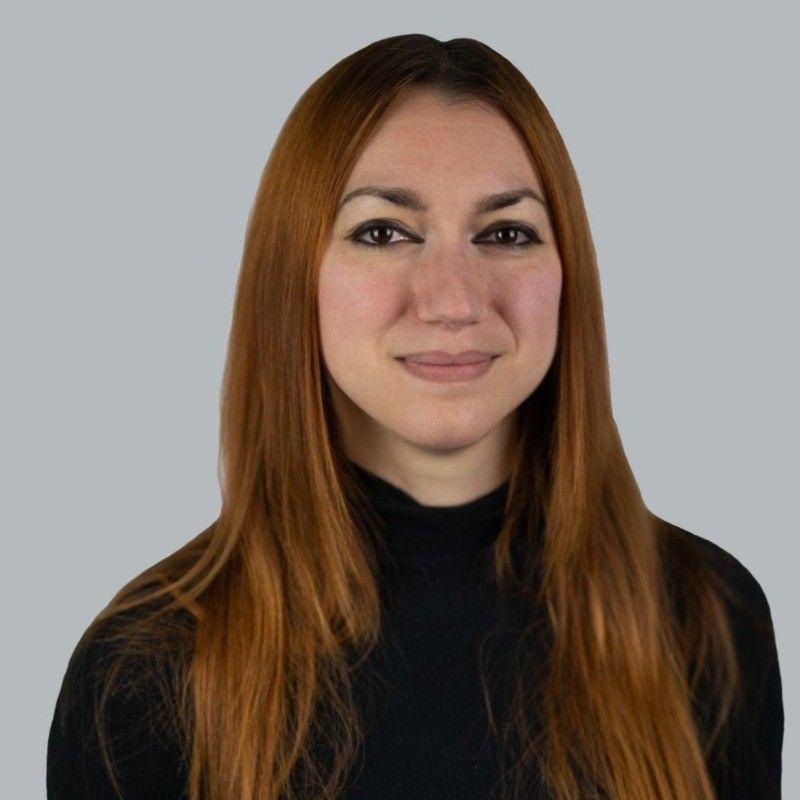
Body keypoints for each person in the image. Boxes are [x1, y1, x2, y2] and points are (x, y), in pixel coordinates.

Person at [46, 33, 783, 800]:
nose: (454, 301)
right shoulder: (143, 671)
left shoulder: (708, 616)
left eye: (506, 233)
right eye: (383, 232)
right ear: (292, 274)